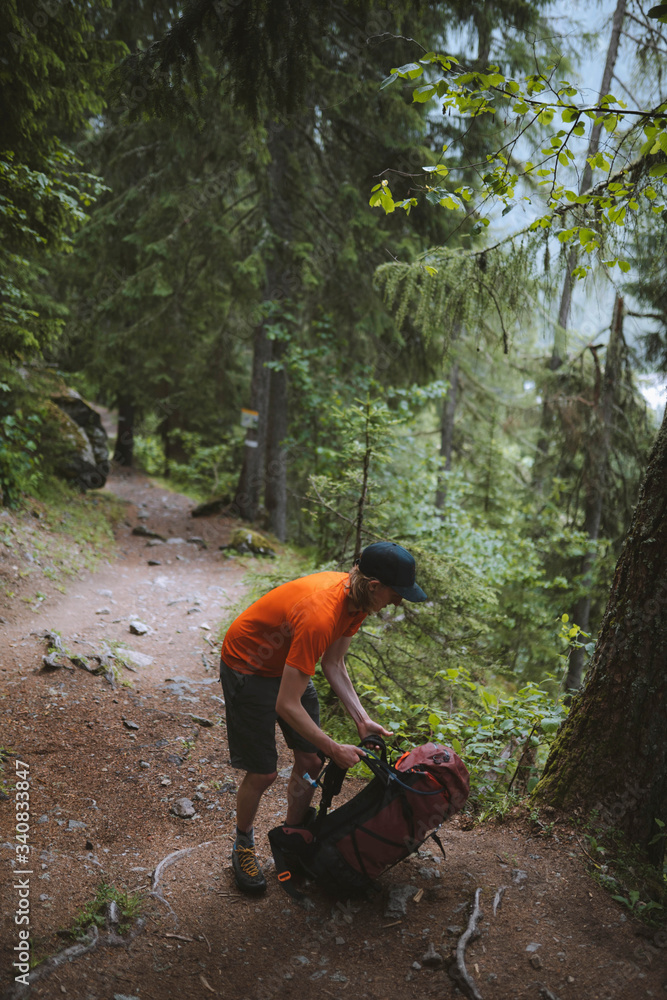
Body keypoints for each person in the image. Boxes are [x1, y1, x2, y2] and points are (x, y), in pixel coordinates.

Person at [219, 540, 428, 894]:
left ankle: (291, 835)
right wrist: (334, 746)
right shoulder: (321, 614)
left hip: (286, 666)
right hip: (249, 666)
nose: (398, 601)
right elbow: (287, 704)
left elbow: (333, 663)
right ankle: (243, 843)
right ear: (376, 586)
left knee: (311, 760)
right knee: (264, 771)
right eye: (397, 593)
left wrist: (361, 719)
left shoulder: (360, 600)